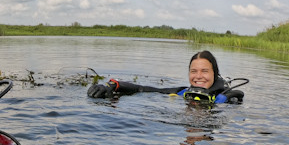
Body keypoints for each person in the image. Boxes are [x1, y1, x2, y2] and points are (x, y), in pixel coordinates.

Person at [87, 50, 246, 104]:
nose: (198, 76)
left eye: (205, 71)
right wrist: (112, 85)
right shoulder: (182, 92)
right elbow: (144, 89)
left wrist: (226, 100)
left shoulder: (226, 98)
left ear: (215, 74)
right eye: (193, 71)